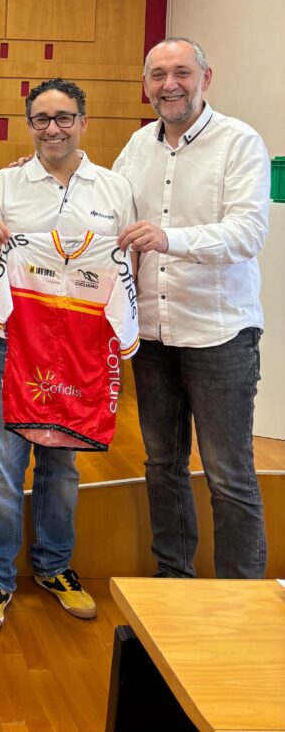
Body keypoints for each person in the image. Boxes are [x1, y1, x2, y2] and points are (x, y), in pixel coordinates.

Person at [0, 78, 134, 632]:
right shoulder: (6, 184)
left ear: (84, 122)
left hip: (80, 353)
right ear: (29, 125)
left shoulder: (114, 189)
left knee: (62, 466)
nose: (53, 128)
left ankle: (54, 567)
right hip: (6, 343)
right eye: (41, 119)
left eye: (64, 117)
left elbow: (124, 272)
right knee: (1, 469)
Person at [114, 37, 269, 579]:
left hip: (220, 334)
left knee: (229, 475)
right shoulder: (136, 148)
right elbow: (106, 213)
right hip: (152, 335)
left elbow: (249, 232)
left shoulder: (239, 142)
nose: (169, 84)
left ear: (206, 77)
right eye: (157, 75)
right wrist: (36, 175)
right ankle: (174, 582)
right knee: (162, 466)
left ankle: (241, 598)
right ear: (146, 85)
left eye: (181, 72)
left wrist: (169, 238)